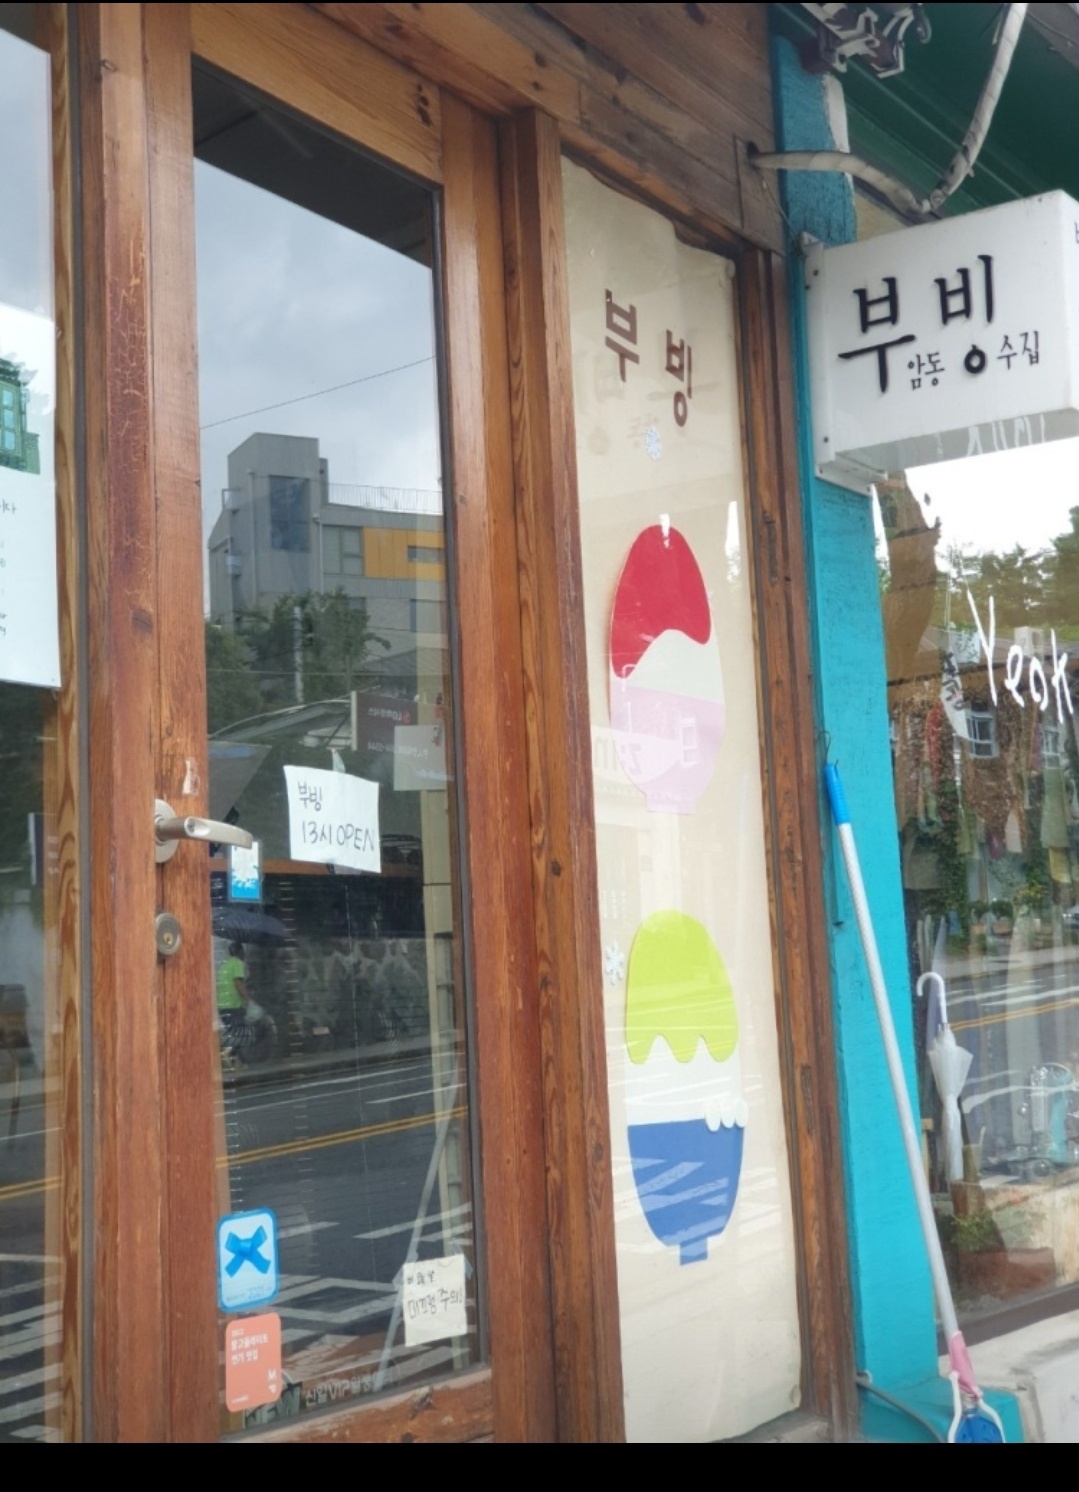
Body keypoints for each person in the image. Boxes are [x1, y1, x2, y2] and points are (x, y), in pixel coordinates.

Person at [216, 941, 250, 1061]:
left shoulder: (224, 966)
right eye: (243, 951)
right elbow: (238, 984)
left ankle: (234, 1059)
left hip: (222, 1007)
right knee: (241, 1034)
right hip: (233, 1006)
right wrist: (249, 1001)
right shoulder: (237, 963)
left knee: (236, 1033)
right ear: (239, 952)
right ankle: (226, 1055)